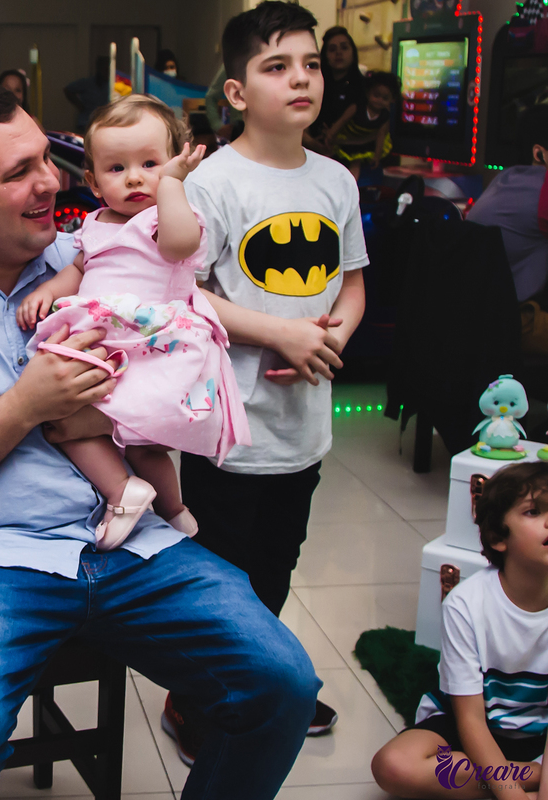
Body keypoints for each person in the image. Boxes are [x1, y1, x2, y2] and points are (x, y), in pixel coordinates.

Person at [0, 81, 319, 800]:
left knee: (282, 683)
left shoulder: (98, 251)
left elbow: (181, 291)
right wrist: (25, 406)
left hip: (137, 546)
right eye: (18, 173)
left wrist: (274, 332)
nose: (50, 182)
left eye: (47, 158)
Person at [164, 0, 369, 762]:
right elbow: (179, 292)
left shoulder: (336, 181)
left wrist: (335, 332)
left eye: (311, 63)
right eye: (277, 66)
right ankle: (196, 699)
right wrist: (278, 329)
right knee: (221, 581)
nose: (302, 79)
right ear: (239, 92)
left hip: (303, 425)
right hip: (228, 424)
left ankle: (264, 680)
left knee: (278, 567)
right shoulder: (214, 183)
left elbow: (350, 283)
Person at [16, 94, 248, 542]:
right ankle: (126, 491)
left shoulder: (166, 217)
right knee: (68, 421)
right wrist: (46, 292)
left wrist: (173, 189)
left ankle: (171, 507)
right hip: (104, 340)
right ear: (94, 181)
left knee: (142, 441)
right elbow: (79, 269)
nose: (136, 178)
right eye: (117, 168)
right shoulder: (95, 223)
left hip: (154, 341)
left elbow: (181, 247)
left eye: (150, 164)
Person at [371, 461, 548, 799]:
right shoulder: (466, 603)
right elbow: (471, 721)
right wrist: (512, 793)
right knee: (394, 765)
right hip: (470, 728)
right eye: (534, 511)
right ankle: (527, 775)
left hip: (538, 732)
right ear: (497, 537)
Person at [467, 104, 548, 304]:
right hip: (508, 315)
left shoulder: (507, 177)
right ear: (539, 153)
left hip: (474, 304)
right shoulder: (542, 188)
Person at [323, 70, 398, 178]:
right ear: (368, 93)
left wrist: (377, 156)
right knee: (331, 157)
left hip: (365, 144)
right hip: (347, 137)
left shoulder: (385, 116)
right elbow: (342, 121)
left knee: (356, 162)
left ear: (392, 100)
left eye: (385, 98)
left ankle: (353, 186)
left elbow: (381, 135)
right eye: (376, 95)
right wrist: (330, 135)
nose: (379, 100)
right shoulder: (357, 108)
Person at [304, 27, 364, 155]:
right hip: (313, 152)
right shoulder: (313, 84)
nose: (338, 53)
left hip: (353, 155)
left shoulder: (365, 88)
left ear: (353, 52)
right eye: (332, 49)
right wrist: (312, 143)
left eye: (344, 47)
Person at [65, 57, 111, 133]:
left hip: (105, 123)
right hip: (86, 122)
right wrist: (79, 105)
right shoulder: (88, 83)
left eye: (108, 69)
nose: (106, 72)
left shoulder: (113, 85)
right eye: (104, 69)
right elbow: (68, 90)